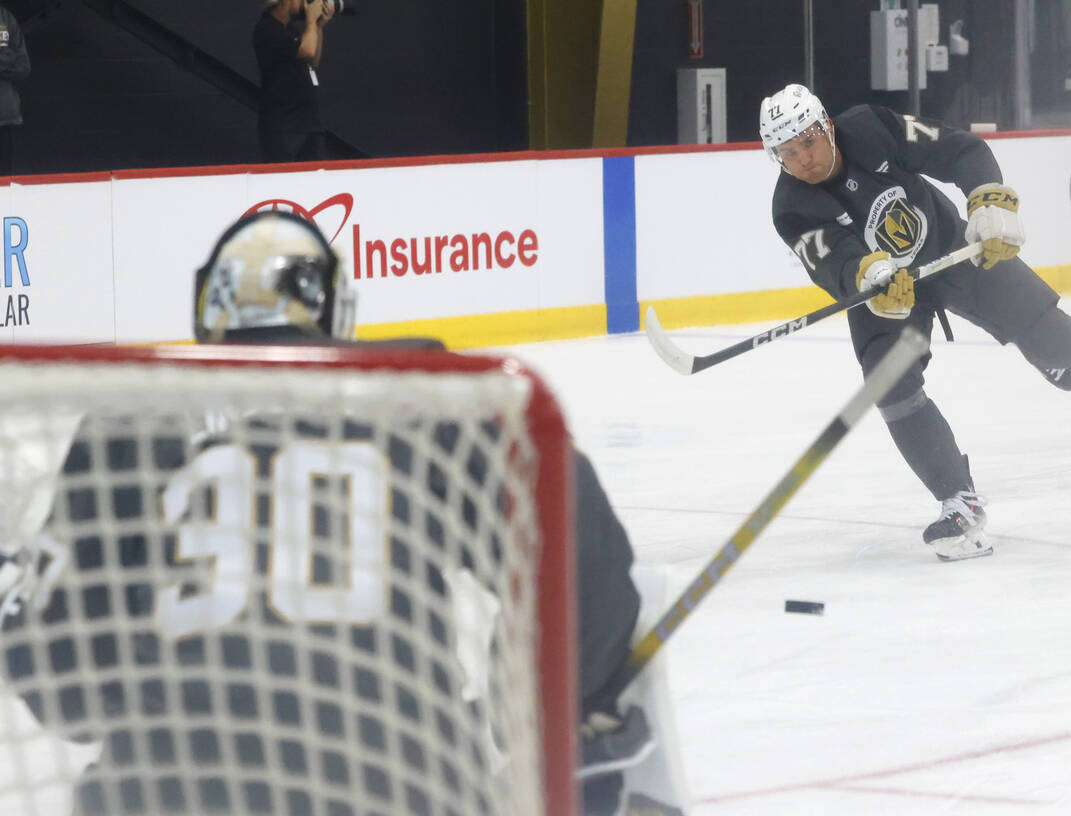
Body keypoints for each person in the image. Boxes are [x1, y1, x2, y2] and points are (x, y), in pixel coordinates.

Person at [0, 211, 682, 815]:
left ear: (210, 310)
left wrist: (12, 590)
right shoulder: (433, 394)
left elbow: (67, 698)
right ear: (334, 310)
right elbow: (585, 571)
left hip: (172, 792)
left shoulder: (130, 420)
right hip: (412, 785)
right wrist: (518, 716)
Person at [760, 84, 1071, 562]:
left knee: (1065, 345)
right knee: (888, 382)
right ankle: (959, 500)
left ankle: (1044, 352)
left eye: (808, 141)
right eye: (788, 152)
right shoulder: (791, 207)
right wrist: (871, 276)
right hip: (886, 294)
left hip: (952, 249)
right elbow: (837, 261)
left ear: (827, 127)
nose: (803, 159)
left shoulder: (870, 128)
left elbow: (958, 149)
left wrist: (987, 199)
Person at [254, 0, 333, 162]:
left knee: (315, 180)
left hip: (308, 122)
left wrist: (318, 26)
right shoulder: (267, 29)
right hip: (284, 126)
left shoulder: (291, 30)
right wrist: (310, 22)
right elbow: (307, 51)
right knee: (284, 182)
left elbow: (313, 60)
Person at [0, 3, 30, 175]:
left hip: (5, 118)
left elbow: (24, 67)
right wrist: (6, 57)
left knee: (4, 188)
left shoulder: (6, 17)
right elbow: (13, 58)